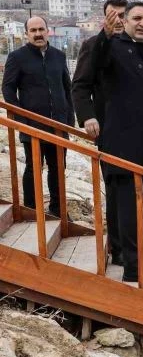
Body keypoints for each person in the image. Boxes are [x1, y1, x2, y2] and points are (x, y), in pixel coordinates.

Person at [93, 1, 143, 283]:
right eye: (137, 18)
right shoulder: (112, 48)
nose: (142, 23)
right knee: (129, 207)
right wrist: (104, 35)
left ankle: (138, 255)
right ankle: (133, 267)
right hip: (124, 145)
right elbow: (95, 63)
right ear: (125, 21)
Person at [72, 0, 127, 265]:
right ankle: (119, 249)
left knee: (139, 190)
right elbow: (80, 85)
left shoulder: (138, 46)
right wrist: (87, 116)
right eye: (112, 15)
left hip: (138, 131)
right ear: (104, 18)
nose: (118, 20)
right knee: (116, 190)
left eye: (122, 15)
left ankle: (137, 245)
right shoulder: (92, 45)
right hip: (110, 130)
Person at [1, 16, 74, 217]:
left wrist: (69, 120)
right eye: (33, 31)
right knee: (33, 168)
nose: (38, 34)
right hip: (31, 125)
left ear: (47, 31)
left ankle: (58, 209)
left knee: (58, 168)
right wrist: (20, 120)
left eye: (41, 29)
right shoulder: (17, 57)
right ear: (26, 34)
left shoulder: (59, 56)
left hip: (58, 125)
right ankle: (31, 210)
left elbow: (67, 89)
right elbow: (8, 89)